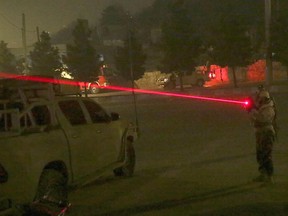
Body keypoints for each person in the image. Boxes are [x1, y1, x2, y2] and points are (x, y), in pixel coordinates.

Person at [247, 85, 276, 184]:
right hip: (260, 133)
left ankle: (269, 177)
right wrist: (251, 109)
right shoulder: (262, 107)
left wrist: (251, 110)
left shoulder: (269, 108)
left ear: (264, 99)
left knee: (266, 155)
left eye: (260, 98)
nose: (258, 100)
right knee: (260, 154)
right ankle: (263, 174)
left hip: (267, 133)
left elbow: (261, 119)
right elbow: (254, 120)